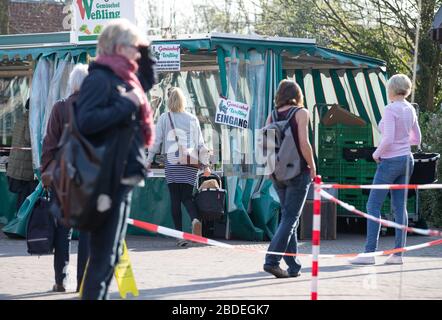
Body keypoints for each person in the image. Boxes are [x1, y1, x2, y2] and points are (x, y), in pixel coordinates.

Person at [75, 19, 154, 300]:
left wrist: (143, 48)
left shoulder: (125, 78)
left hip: (123, 176)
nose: (138, 54)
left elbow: (148, 78)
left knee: (110, 258)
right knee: (102, 257)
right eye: (134, 48)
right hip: (105, 179)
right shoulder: (100, 78)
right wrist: (127, 104)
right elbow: (85, 121)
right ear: (119, 48)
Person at [350, 74, 421, 266]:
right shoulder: (410, 109)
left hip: (389, 161)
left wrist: (376, 154)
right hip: (407, 160)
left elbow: (388, 138)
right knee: (400, 208)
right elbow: (417, 139)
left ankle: (369, 253)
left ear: (391, 89)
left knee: (373, 206)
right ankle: (398, 255)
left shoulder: (391, 109)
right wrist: (403, 142)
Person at [40, 64, 91, 293]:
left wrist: (45, 173)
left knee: (62, 231)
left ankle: (61, 280)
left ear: (71, 84)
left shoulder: (59, 108)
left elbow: (48, 145)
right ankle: (83, 282)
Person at [263, 80, 316, 278]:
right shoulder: (301, 113)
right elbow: (304, 142)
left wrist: (269, 170)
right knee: (290, 218)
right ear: (298, 94)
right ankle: (272, 261)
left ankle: (293, 266)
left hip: (277, 173)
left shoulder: (272, 115)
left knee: (288, 218)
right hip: (298, 172)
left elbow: (266, 145)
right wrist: (312, 165)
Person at [147, 87, 211, 246]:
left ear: (169, 100)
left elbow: (156, 142)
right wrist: (205, 166)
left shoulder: (164, 118)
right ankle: (195, 219)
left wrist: (149, 159)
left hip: (172, 161)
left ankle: (179, 235)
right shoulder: (192, 118)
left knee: (175, 198)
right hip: (189, 162)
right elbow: (201, 143)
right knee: (187, 197)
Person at [6, 98, 38, 211]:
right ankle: (20, 226)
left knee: (21, 199)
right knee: (24, 201)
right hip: (23, 168)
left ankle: (17, 225)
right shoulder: (30, 120)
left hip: (16, 166)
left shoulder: (20, 119)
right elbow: (30, 139)